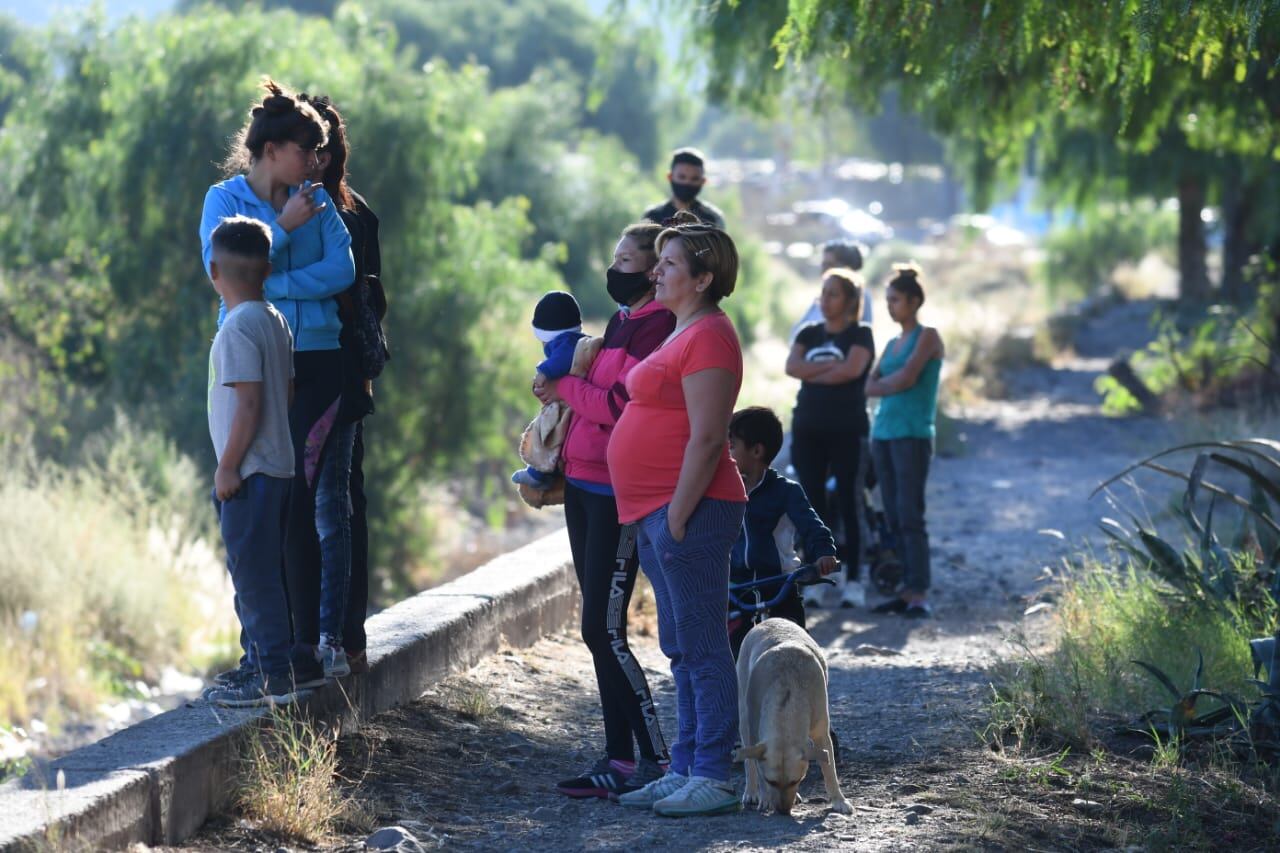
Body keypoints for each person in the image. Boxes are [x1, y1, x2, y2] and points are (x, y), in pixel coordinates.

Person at [199, 80, 357, 679]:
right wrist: (284, 228)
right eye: (307, 149)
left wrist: (272, 283)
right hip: (249, 361)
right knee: (254, 502)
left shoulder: (316, 198)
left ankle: (298, 650)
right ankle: (266, 652)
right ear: (272, 150)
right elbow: (218, 265)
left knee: (295, 507)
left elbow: (339, 272)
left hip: (313, 358)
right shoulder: (224, 199)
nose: (316, 161)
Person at [608, 211, 747, 818]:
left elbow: (710, 438)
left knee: (704, 645)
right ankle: (687, 765)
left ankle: (715, 775)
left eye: (668, 264)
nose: (656, 271)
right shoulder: (680, 330)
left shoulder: (710, 335)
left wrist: (681, 516)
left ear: (703, 277)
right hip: (658, 510)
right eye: (657, 261)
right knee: (681, 646)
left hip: (690, 509)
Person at [533, 223, 675, 800]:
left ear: (651, 269)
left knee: (605, 630)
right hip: (584, 486)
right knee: (597, 630)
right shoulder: (619, 322)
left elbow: (620, 407)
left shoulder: (661, 327)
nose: (615, 267)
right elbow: (589, 392)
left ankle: (656, 758)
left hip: (620, 493)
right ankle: (618, 759)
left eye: (627, 259)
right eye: (613, 255)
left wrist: (565, 387)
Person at [202, 216, 326, 706]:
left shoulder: (236, 328)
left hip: (250, 473)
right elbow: (287, 393)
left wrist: (228, 466)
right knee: (266, 570)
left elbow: (249, 404)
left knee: (252, 578)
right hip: (279, 465)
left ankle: (271, 674)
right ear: (269, 269)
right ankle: (265, 662)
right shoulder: (275, 320)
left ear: (213, 270)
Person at [302, 94, 384, 676]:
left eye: (328, 143)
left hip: (346, 374)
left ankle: (345, 636)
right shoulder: (272, 207)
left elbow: (373, 302)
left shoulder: (356, 215)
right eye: (313, 144)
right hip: (298, 369)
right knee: (296, 509)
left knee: (344, 504)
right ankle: (299, 637)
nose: (321, 154)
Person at [785, 267, 875, 609]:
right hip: (808, 427)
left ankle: (855, 580)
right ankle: (818, 578)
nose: (825, 300)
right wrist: (830, 371)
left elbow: (852, 371)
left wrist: (814, 370)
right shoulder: (809, 332)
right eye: (822, 293)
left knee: (851, 503)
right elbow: (792, 367)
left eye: (833, 294)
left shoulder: (861, 334)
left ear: (851, 300)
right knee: (811, 505)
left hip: (848, 429)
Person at [726, 406, 838, 659]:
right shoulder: (724, 490)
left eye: (732, 446)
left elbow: (812, 526)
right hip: (736, 585)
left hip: (779, 584)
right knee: (733, 655)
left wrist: (823, 554)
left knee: (795, 650)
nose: (726, 452)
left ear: (756, 451)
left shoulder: (786, 491)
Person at [865, 264, 944, 619]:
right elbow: (873, 382)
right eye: (887, 300)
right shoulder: (891, 343)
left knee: (911, 514)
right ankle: (904, 587)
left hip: (912, 434)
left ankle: (919, 592)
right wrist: (887, 385)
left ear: (914, 301)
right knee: (893, 514)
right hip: (882, 433)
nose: (890, 306)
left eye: (895, 300)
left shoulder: (927, 336)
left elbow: (907, 379)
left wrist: (886, 385)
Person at [512, 291, 588, 490]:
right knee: (552, 434)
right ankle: (543, 472)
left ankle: (539, 473)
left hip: (568, 404)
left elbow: (562, 358)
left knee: (545, 430)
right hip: (575, 402)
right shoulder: (578, 340)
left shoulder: (566, 343)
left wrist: (543, 372)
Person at [789, 238, 871, 344]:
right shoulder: (821, 298)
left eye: (829, 265)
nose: (824, 270)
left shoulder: (859, 296)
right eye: (823, 265)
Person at [642, 147, 726, 230]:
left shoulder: (713, 219)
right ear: (670, 177)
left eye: (694, 179)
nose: (687, 183)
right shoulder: (652, 216)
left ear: (703, 181)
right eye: (682, 177)